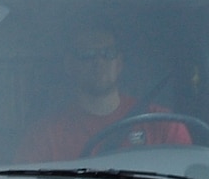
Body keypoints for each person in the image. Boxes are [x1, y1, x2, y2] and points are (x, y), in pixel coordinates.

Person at [18, 26, 192, 161]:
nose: (98, 62)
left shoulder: (162, 123)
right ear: (69, 65)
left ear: (119, 63)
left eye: (108, 53)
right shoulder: (45, 135)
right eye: (87, 54)